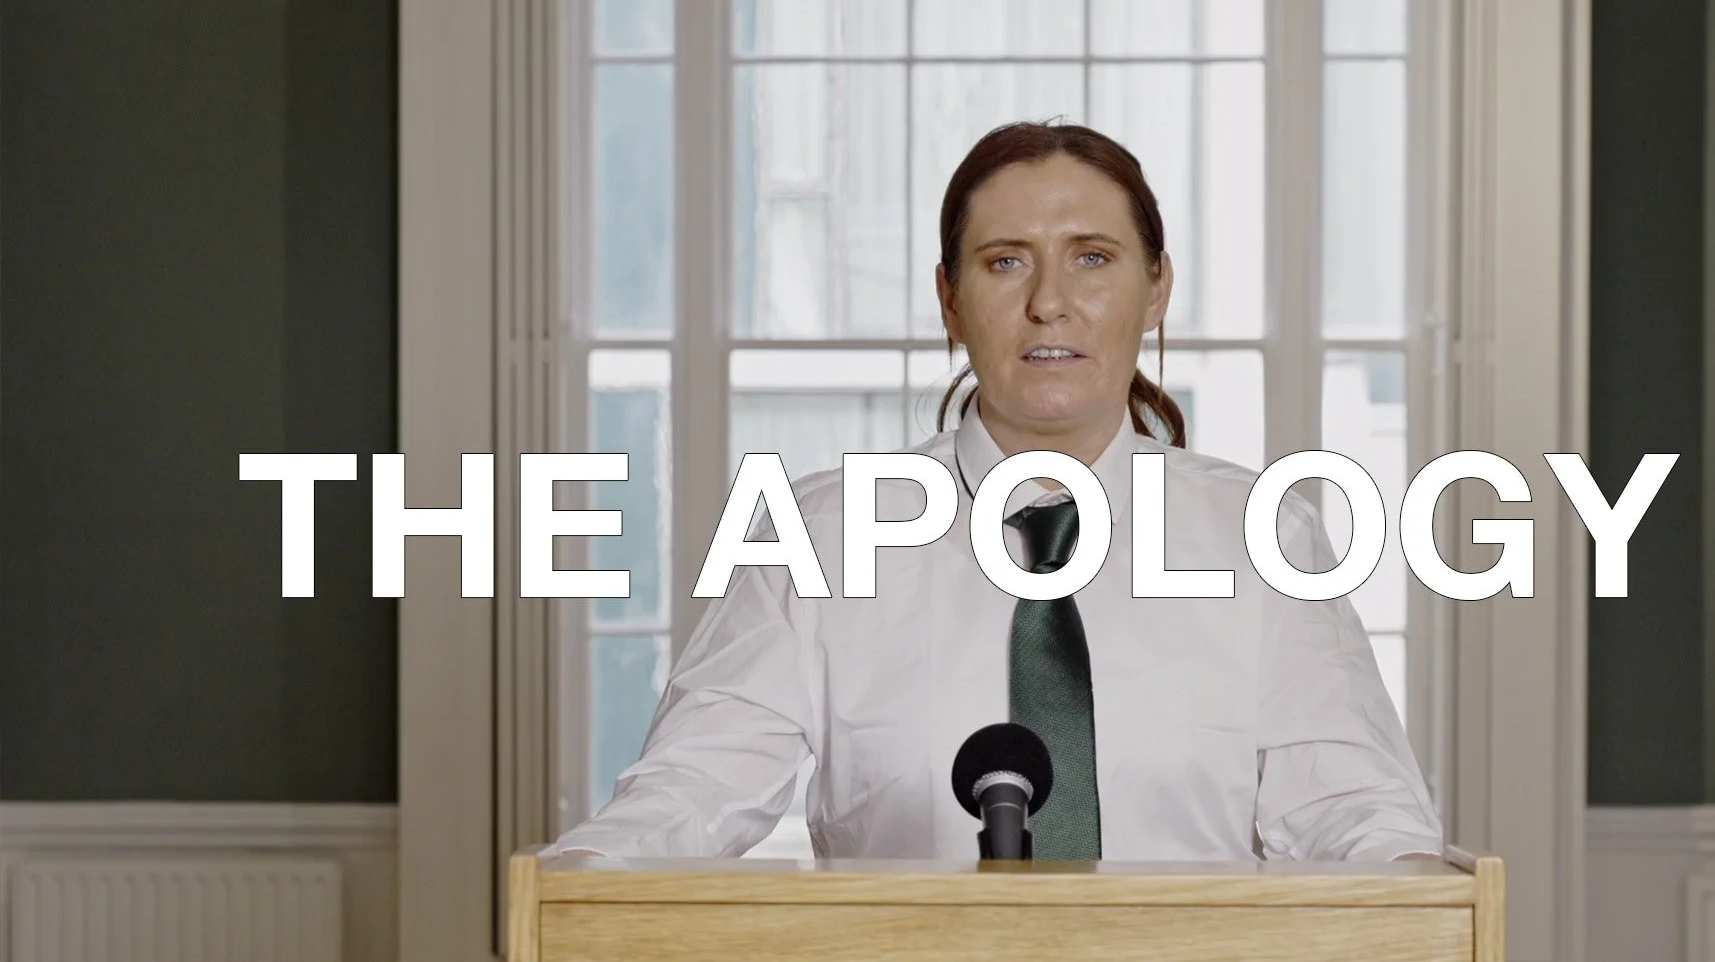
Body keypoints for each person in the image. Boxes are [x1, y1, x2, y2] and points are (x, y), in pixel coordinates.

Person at [546, 121, 1443, 864]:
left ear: (1157, 288)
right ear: (950, 296)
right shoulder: (818, 539)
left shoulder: (1266, 539)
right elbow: (691, 790)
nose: (1051, 302)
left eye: (1093, 258)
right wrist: (577, 881)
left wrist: (1421, 895)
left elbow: (1354, 808)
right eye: (1006, 261)